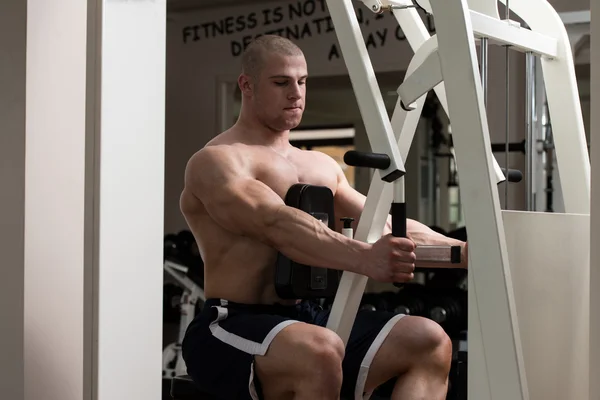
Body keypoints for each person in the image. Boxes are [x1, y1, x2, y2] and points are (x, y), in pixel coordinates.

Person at [180, 35, 468, 400]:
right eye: (281, 82)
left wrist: (466, 251)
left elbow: (383, 224)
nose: (296, 93)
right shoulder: (218, 161)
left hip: (310, 318)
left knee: (428, 340)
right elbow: (275, 223)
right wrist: (365, 257)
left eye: (302, 82)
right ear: (246, 85)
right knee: (320, 349)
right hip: (232, 323)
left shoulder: (319, 166)